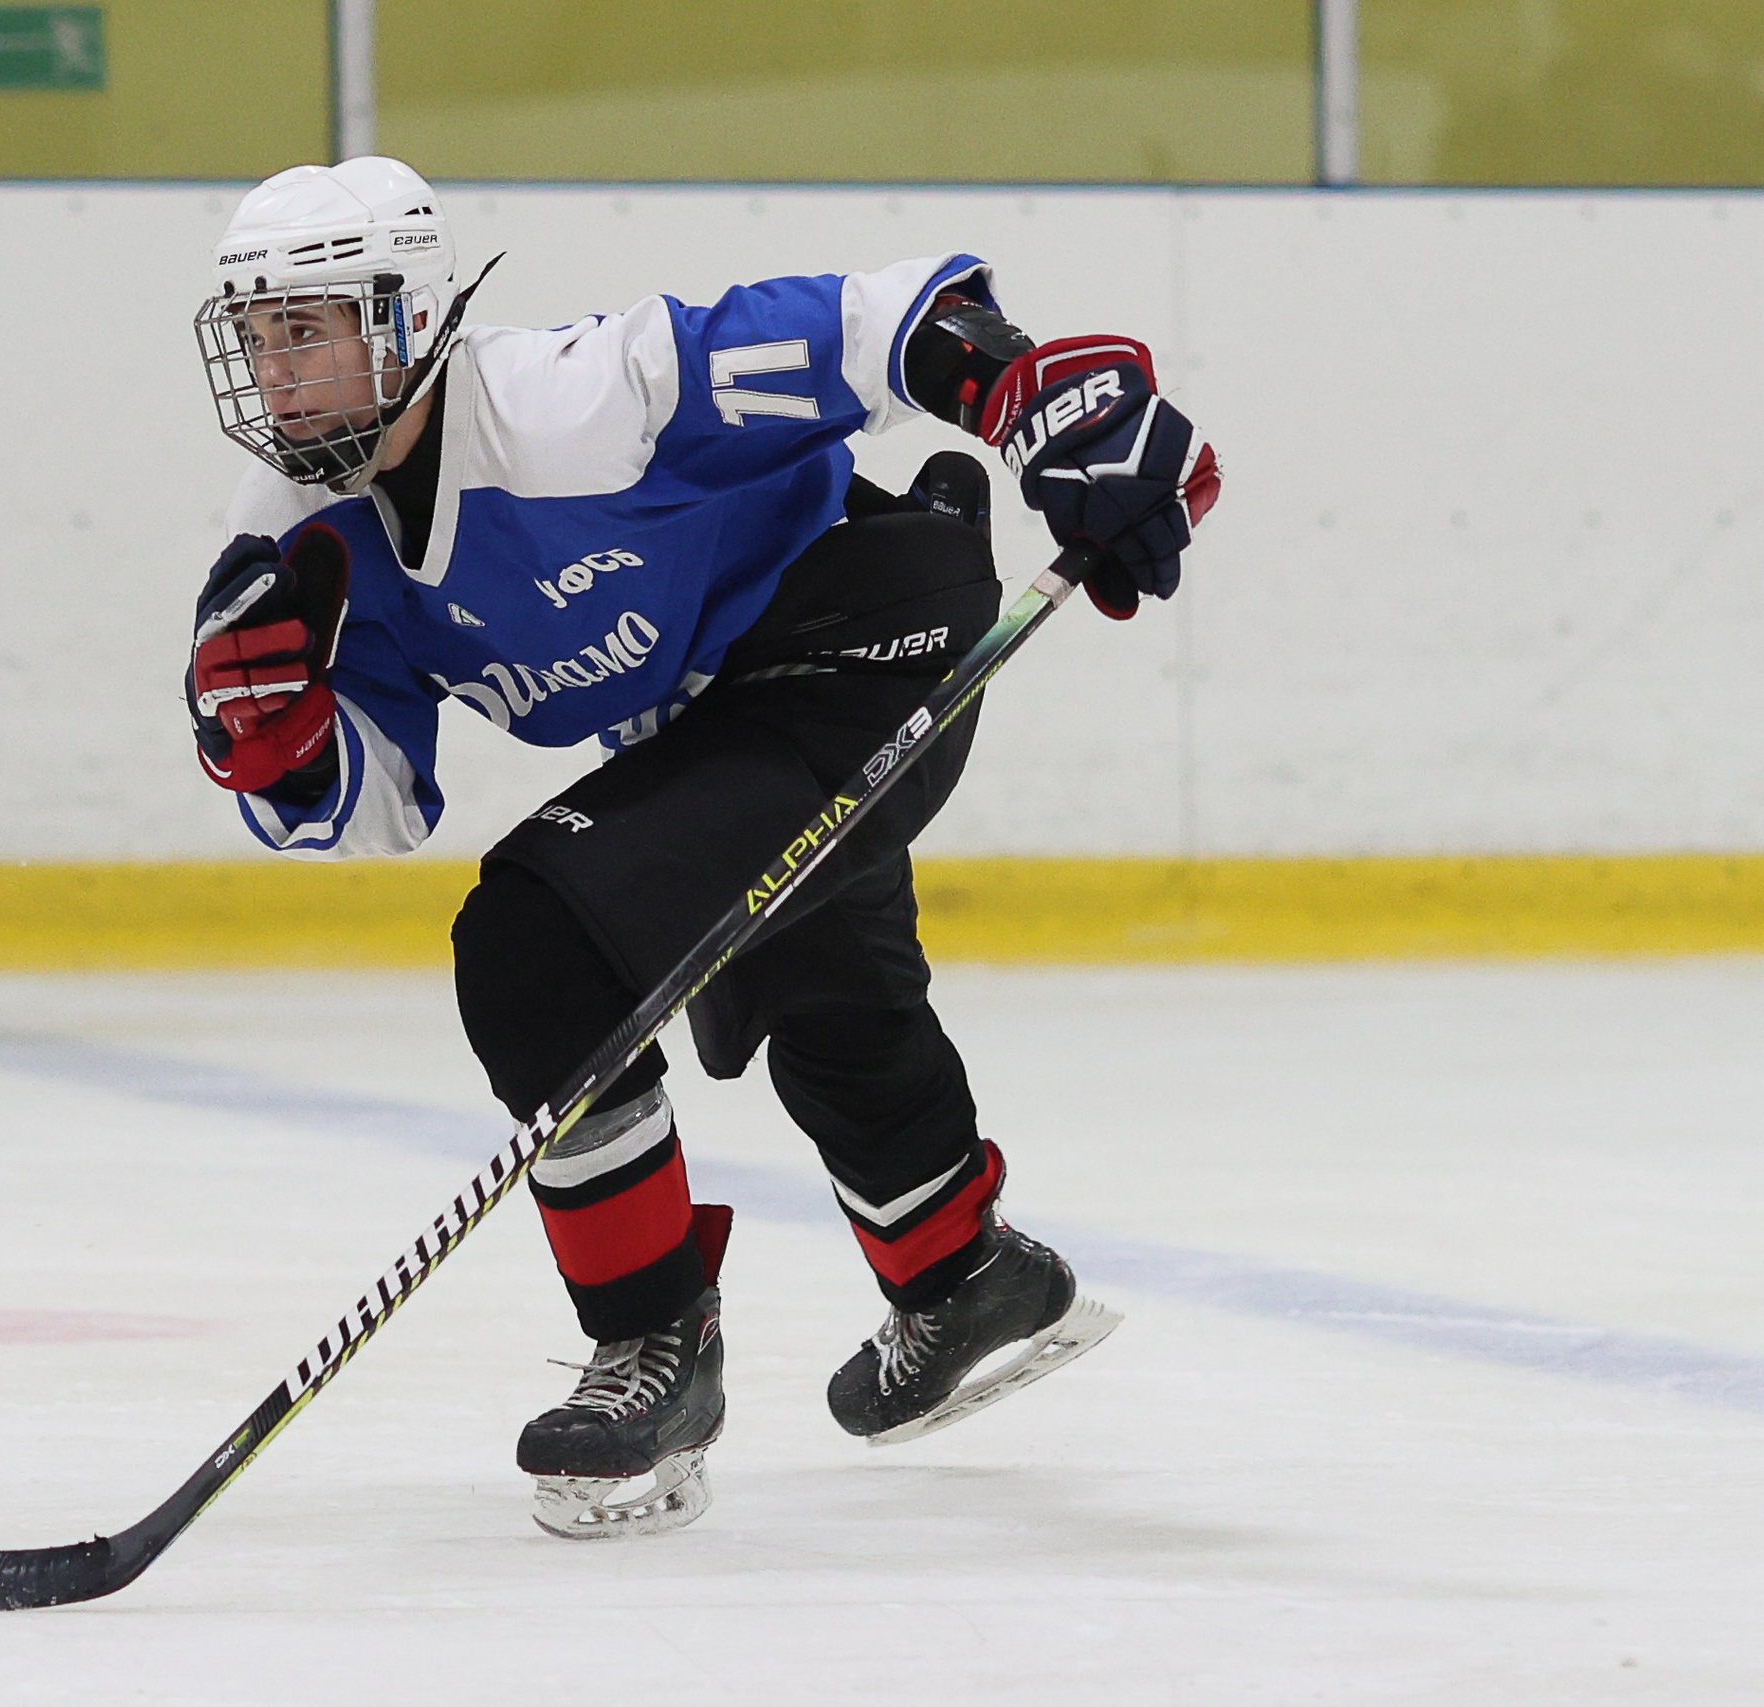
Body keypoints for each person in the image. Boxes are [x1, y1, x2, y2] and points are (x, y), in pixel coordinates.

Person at [184, 157, 1219, 1540]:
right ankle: (961, 1273)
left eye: (307, 330)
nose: (279, 373)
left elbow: (868, 325)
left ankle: (652, 1351)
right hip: (721, 711)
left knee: (536, 942)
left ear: (406, 320)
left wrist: (1040, 396)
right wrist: (282, 745)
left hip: (865, 633)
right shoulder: (297, 546)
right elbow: (373, 804)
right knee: (816, 977)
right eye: (258, 337)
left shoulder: (574, 402)